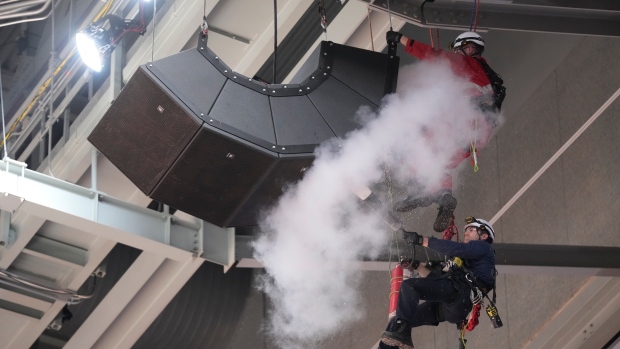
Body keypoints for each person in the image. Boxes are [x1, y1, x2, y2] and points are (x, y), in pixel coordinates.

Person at [385, 30, 506, 233]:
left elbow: (432, 56)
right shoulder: (488, 76)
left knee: (419, 145)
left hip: (463, 121)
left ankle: (419, 191)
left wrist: (401, 39)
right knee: (441, 164)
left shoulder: (464, 63)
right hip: (477, 135)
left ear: (465, 48)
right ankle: (443, 196)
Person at [379, 216, 497, 349]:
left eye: (471, 229)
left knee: (409, 287)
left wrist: (422, 240)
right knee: (396, 323)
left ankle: (403, 334)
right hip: (448, 307)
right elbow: (438, 283)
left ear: (484, 236)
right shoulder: (468, 262)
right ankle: (397, 337)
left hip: (459, 296)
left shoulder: (484, 248)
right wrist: (418, 266)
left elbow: (456, 249)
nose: (466, 232)